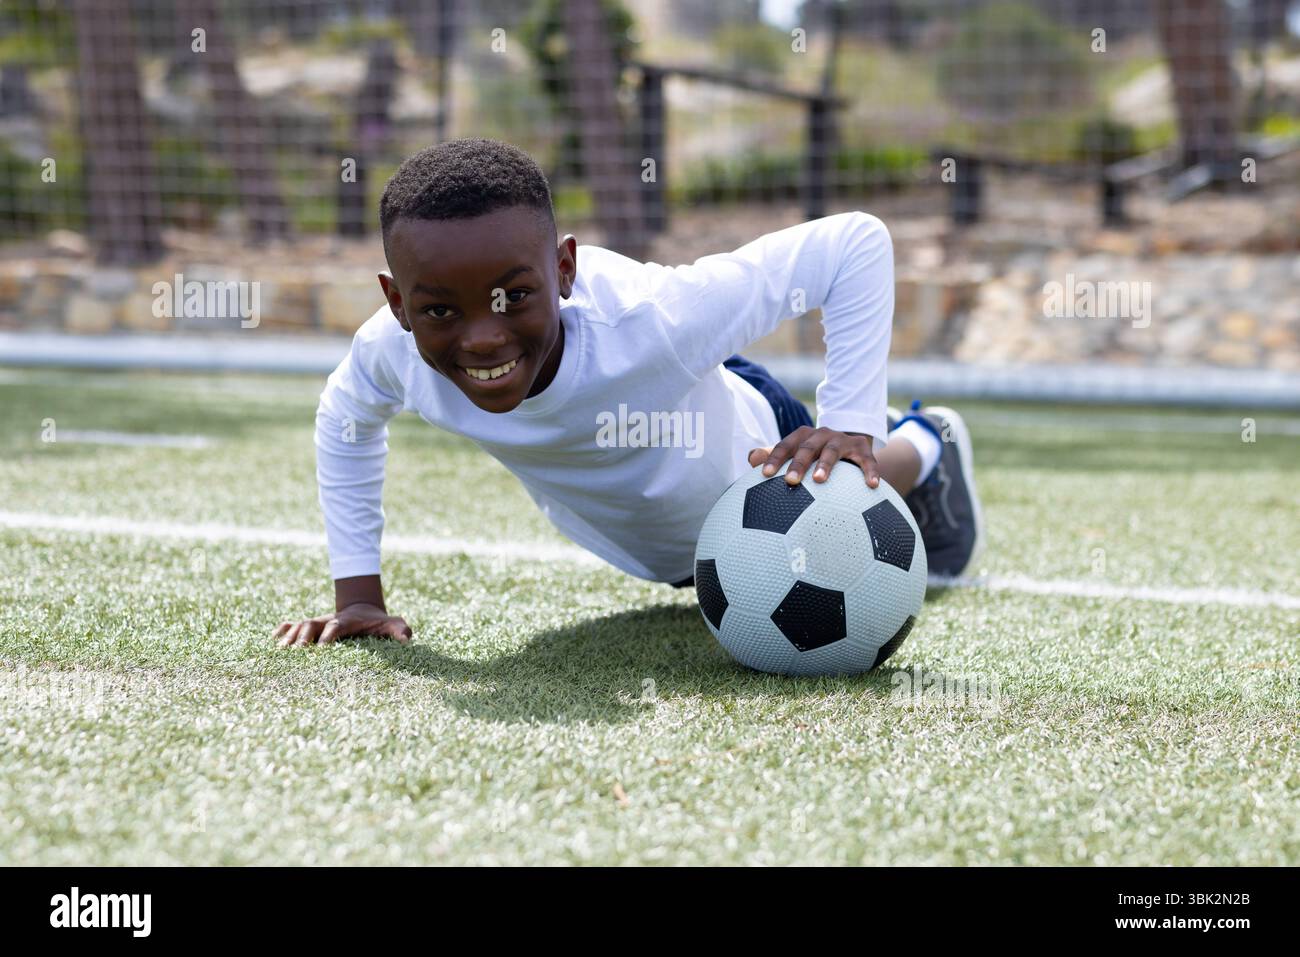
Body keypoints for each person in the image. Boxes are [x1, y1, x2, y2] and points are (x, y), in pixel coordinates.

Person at [273, 138, 982, 648]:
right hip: (661, 549)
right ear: (397, 303)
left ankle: (926, 442)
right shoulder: (389, 352)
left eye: (514, 296)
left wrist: (851, 423)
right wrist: (358, 595)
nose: (483, 337)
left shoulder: (657, 319)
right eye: (439, 311)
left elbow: (854, 244)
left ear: (564, 268)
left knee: (840, 484)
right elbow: (344, 421)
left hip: (751, 457)